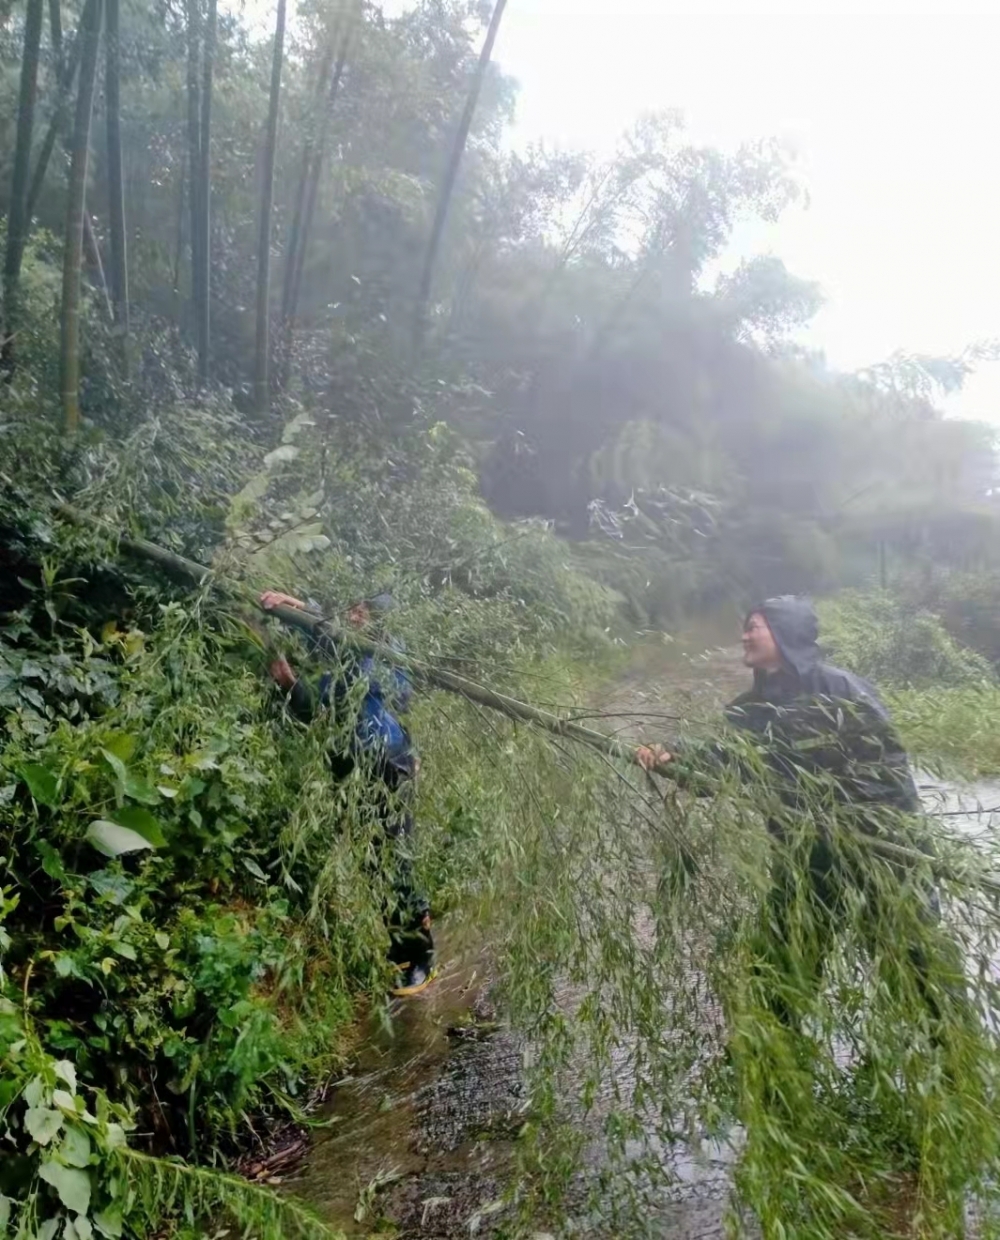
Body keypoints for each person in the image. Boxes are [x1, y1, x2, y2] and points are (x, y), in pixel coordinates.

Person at [637, 595, 950, 1030]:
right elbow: (730, 761)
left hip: (881, 854)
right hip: (805, 860)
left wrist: (833, 814)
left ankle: (949, 1061)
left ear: (785, 635)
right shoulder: (750, 709)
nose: (744, 634)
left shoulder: (840, 690)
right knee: (784, 964)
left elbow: (885, 766)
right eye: (745, 626)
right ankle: (770, 1064)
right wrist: (675, 755)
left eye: (756, 626)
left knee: (919, 967)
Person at [259, 588, 435, 997]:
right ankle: (399, 952)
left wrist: (304, 610)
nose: (354, 617)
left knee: (397, 860)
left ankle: (421, 956)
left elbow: (362, 680)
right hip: (350, 771)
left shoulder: (387, 657)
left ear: (379, 622)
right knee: (372, 863)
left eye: (362, 612)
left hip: (390, 767)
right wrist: (288, 683)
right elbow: (316, 714)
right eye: (352, 609)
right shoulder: (338, 658)